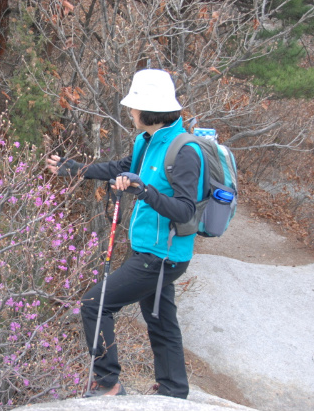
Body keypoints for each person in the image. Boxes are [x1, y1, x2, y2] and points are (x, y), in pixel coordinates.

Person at [46, 69, 204, 398]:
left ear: (148, 110)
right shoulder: (146, 140)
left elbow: (186, 210)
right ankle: (174, 390)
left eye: (133, 107)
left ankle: (108, 383)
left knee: (93, 303)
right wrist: (73, 169)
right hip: (149, 249)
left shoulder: (185, 152)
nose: (129, 112)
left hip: (163, 255)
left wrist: (143, 190)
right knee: (159, 319)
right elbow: (122, 168)